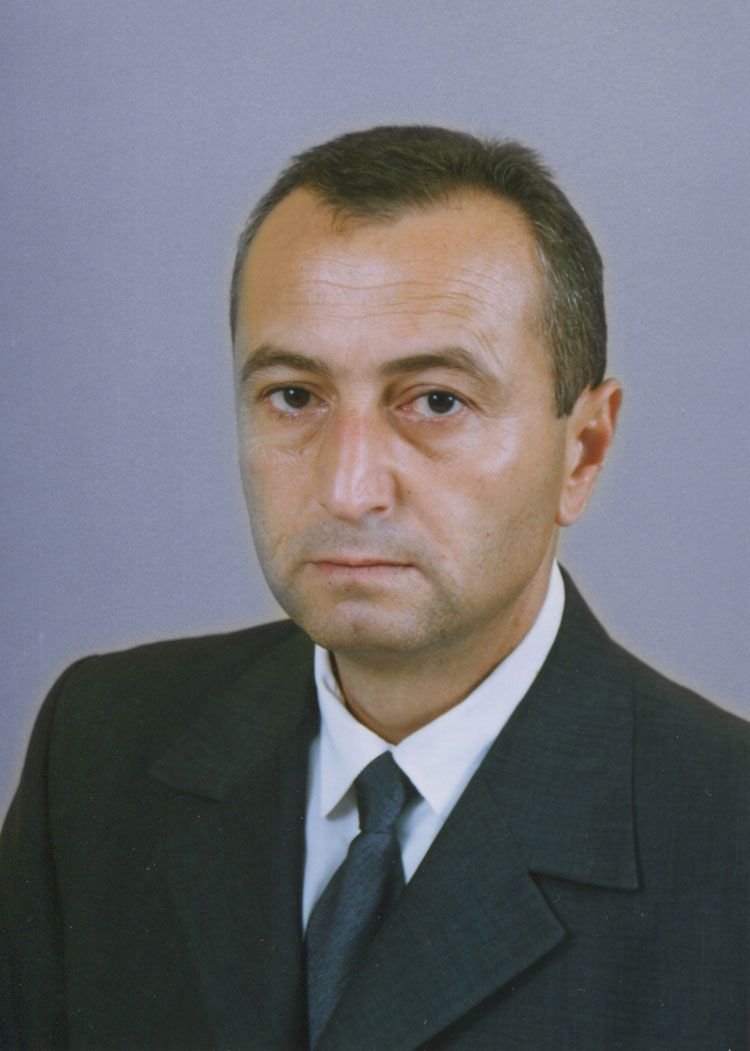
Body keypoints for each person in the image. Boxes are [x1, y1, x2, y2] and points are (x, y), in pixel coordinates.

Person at [1, 125, 748, 1051]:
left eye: (436, 401)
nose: (349, 488)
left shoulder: (729, 835)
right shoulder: (100, 748)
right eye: (295, 395)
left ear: (583, 450)